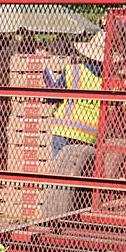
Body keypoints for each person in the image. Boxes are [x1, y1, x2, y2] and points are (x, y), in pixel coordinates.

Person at [44, 30, 105, 160]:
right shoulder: (108, 80)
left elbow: (51, 97)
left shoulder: (74, 70)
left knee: (60, 172)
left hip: (64, 129)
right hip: (89, 135)